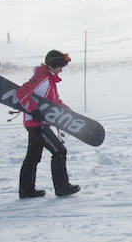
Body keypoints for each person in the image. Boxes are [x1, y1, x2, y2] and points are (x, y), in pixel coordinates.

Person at [15, 49, 82, 199]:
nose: (61, 70)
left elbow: (53, 102)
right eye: (61, 67)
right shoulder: (42, 77)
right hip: (36, 124)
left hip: (37, 123)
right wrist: (34, 109)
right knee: (59, 152)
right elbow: (21, 93)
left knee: (32, 157)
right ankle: (62, 188)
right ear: (54, 64)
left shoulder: (49, 79)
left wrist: (66, 110)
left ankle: (27, 190)